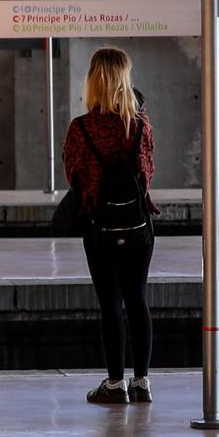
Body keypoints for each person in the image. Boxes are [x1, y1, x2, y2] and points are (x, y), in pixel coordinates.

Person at [62, 45, 157, 404]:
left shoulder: (81, 127)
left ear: (93, 81)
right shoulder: (140, 125)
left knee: (110, 303)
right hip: (137, 224)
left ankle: (114, 384)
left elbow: (74, 175)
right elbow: (148, 173)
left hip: (100, 225)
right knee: (137, 299)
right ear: (125, 79)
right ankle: (142, 382)